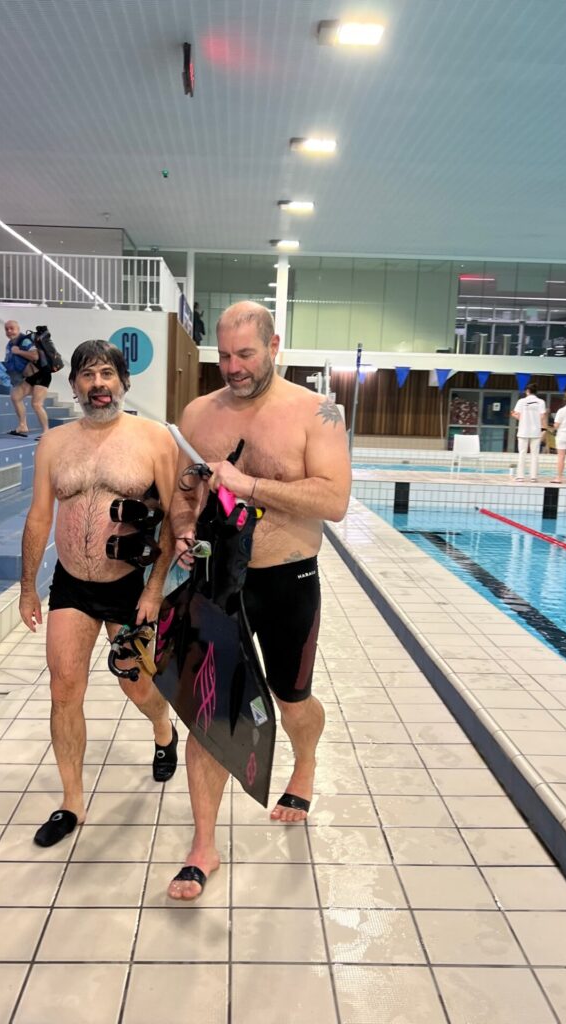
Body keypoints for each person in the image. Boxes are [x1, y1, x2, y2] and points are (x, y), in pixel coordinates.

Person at [166, 300, 352, 900]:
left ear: (274, 347)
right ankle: (203, 845)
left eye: (245, 354)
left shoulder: (317, 412)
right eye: (223, 355)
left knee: (291, 702)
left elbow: (334, 500)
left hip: (287, 580)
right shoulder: (199, 413)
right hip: (217, 582)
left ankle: (305, 763)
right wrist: (183, 528)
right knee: (209, 714)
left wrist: (249, 485)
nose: (233, 367)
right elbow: (183, 493)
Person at [19, 339, 179, 846]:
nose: (98, 384)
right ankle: (72, 802)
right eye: (87, 375)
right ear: (73, 385)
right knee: (64, 690)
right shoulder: (54, 443)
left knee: (138, 687)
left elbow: (176, 519)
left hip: (130, 586)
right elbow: (39, 516)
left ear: (124, 382)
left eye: (107, 373)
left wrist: (155, 589)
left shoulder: (154, 439)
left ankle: (163, 729)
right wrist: (27, 588)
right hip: (71, 585)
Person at [3, 320, 49, 437]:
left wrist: (18, 351)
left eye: (12, 328)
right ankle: (23, 426)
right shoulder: (10, 344)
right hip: (30, 376)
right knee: (15, 397)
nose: (9, 331)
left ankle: (46, 432)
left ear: (18, 329)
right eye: (7, 329)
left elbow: (35, 356)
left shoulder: (25, 340)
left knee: (36, 404)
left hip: (42, 373)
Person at [511, 383, 547, 482]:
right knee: (534, 454)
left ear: (527, 391)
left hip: (523, 430)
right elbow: (542, 416)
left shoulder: (521, 401)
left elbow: (517, 415)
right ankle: (533, 477)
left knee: (522, 453)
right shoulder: (541, 402)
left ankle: (520, 476)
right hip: (535, 431)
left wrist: (515, 416)